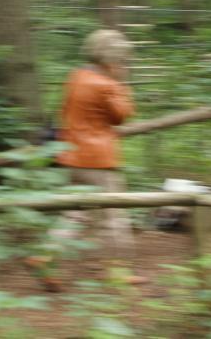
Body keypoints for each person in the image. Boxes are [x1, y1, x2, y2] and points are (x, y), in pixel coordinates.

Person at [55, 29, 136, 256]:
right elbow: (123, 115)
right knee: (114, 216)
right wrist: (122, 85)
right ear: (112, 59)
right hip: (97, 160)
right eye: (122, 60)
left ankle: (46, 257)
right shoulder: (106, 85)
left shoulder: (75, 77)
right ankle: (119, 271)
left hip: (71, 155)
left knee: (74, 213)